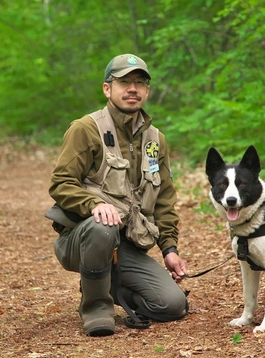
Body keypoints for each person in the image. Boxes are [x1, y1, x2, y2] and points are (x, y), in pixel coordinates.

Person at [46, 53, 189, 337]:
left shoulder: (155, 140)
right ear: (107, 88)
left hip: (126, 248)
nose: (132, 89)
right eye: (124, 82)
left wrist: (169, 249)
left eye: (139, 83)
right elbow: (61, 183)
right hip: (83, 237)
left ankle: (105, 282)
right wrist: (94, 204)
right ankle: (96, 306)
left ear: (147, 91)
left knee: (172, 305)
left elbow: (164, 200)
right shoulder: (86, 129)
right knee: (104, 225)